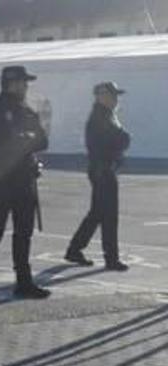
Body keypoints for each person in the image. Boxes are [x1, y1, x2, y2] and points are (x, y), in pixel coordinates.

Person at [0, 65, 51, 304]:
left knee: (23, 233)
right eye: (23, 82)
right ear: (11, 83)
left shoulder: (26, 111)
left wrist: (24, 141)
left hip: (24, 180)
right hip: (2, 181)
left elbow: (42, 140)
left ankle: (24, 283)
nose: (26, 87)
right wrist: (25, 140)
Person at [65, 82, 131, 271]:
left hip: (102, 169)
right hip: (102, 170)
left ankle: (74, 249)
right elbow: (112, 142)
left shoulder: (106, 116)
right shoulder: (100, 118)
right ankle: (111, 258)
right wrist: (122, 139)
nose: (116, 99)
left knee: (97, 213)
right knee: (109, 215)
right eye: (112, 95)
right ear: (102, 96)